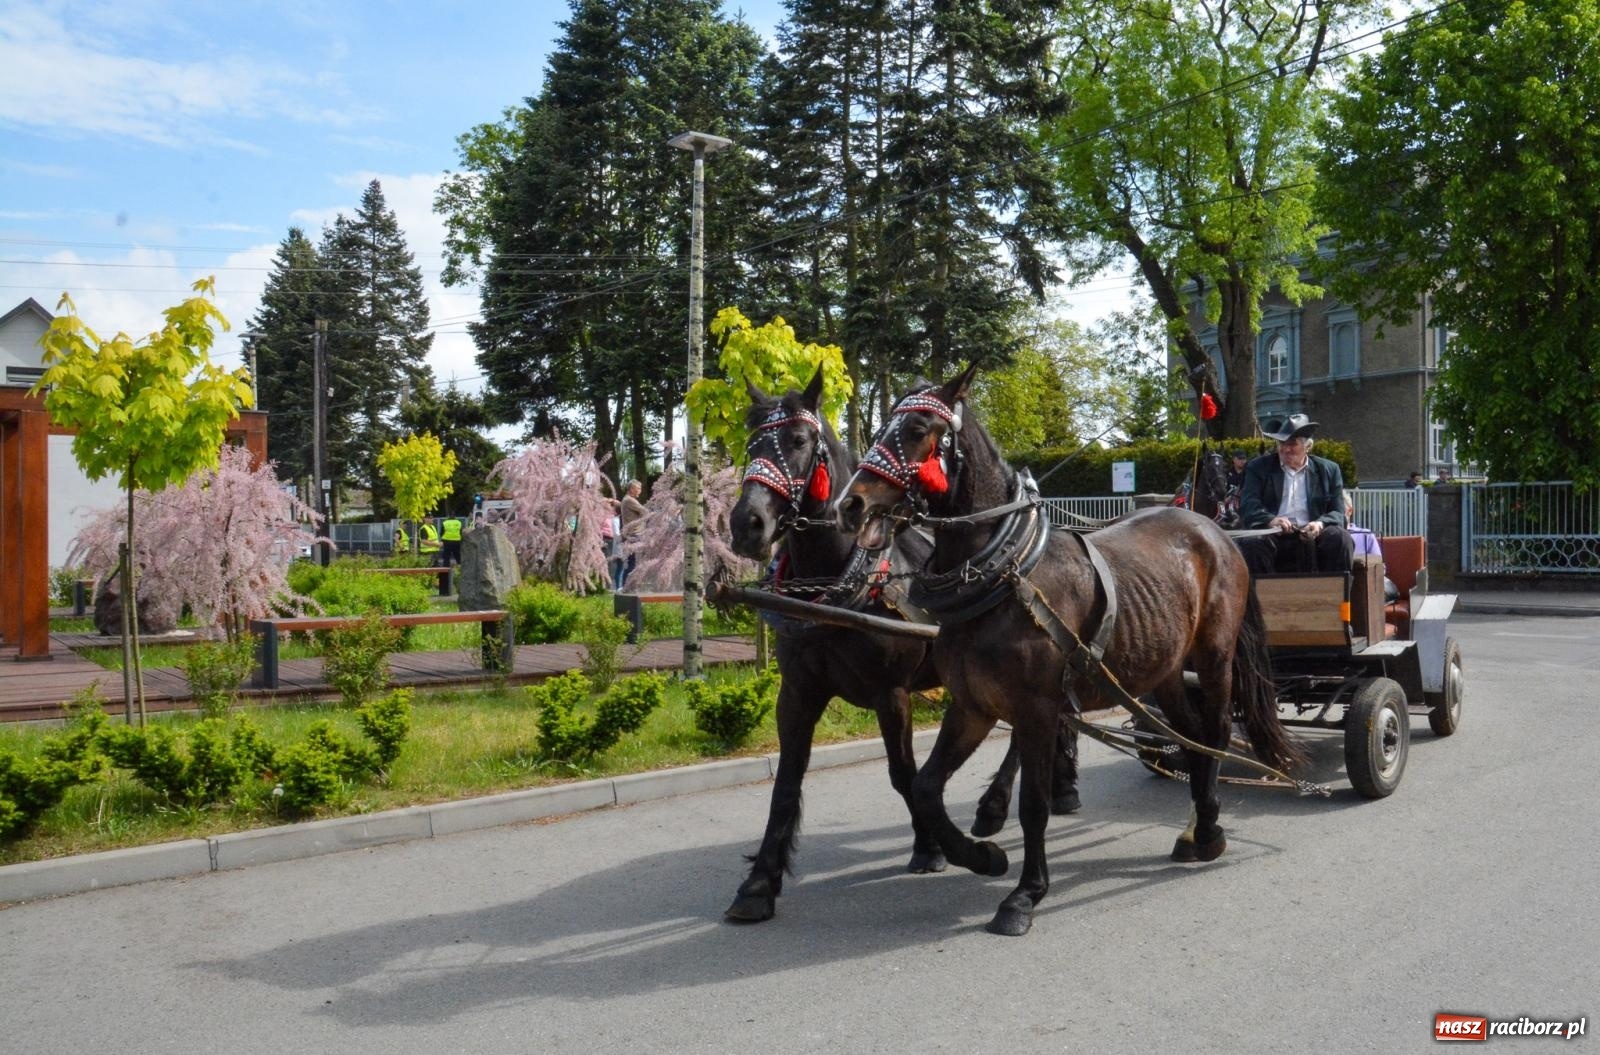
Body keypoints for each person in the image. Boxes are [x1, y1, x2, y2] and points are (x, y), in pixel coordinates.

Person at [1236, 414, 1354, 575]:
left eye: (1292, 444)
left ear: (1308, 447)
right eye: (1282, 444)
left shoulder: (1328, 470)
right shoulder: (1258, 468)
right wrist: (1271, 520)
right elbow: (1249, 505)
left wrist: (1319, 524)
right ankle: (1263, 599)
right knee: (1252, 543)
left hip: (1313, 533)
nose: (1285, 449)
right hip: (1272, 533)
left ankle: (1339, 598)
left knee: (1340, 538)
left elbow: (1338, 513)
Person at [616, 480, 646, 591]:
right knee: (634, 563)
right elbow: (645, 511)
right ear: (632, 489)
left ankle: (628, 587)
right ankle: (627, 587)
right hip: (634, 535)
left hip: (632, 535)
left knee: (633, 562)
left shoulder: (626, 500)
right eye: (638, 489)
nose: (640, 491)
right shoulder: (629, 500)